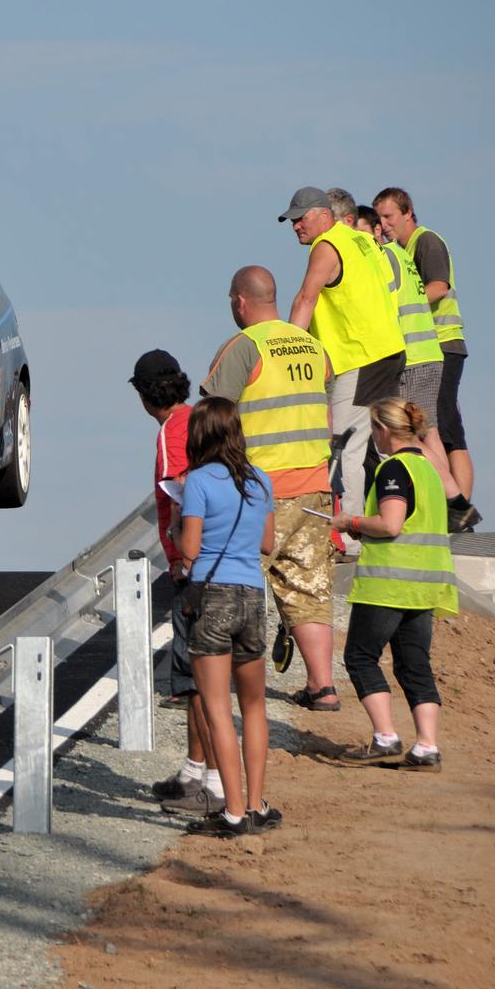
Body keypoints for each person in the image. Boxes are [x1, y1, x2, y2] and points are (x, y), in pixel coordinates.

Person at [201, 266, 338, 711]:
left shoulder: (244, 347)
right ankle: (322, 686)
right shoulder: (315, 348)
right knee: (309, 590)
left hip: (263, 494)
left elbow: (213, 419)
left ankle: (218, 682)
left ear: (240, 301)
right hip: (316, 488)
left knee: (234, 584)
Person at [329, 398, 457, 770]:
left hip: (389, 584)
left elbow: (390, 524)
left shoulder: (394, 469)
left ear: (384, 431)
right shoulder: (429, 470)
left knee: (360, 656)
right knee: (415, 663)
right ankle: (426, 745)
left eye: (373, 430)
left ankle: (385, 736)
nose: (374, 438)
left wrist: (350, 522)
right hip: (423, 586)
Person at [280, 187, 406, 560]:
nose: (296, 226)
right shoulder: (362, 240)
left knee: (344, 448)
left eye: (301, 218)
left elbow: (306, 298)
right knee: (382, 447)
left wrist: (288, 355)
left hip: (359, 356)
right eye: (291, 220)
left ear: (324, 214)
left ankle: (347, 539)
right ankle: (398, 524)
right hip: (386, 351)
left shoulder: (328, 244)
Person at [129, 350, 225, 816]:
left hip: (196, 570)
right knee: (192, 681)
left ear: (146, 396)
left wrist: (180, 559)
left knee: (199, 679)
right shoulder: (200, 419)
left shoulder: (172, 431)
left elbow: (180, 495)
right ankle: (193, 770)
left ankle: (211, 785)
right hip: (224, 564)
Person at [178, 397, 278, 836]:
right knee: (253, 707)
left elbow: (190, 551)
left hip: (213, 598)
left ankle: (233, 813)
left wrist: (173, 530)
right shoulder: (262, 480)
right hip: (252, 596)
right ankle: (256, 806)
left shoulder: (197, 481)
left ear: (200, 435)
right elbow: (268, 543)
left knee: (218, 710)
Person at [374, 187, 478, 513]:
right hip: (432, 346)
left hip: (442, 343)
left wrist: (401, 306)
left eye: (389, 216)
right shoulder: (403, 250)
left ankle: (459, 508)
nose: (384, 224)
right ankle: (455, 506)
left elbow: (439, 285)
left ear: (408, 212)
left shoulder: (426, 241)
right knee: (438, 427)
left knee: (444, 430)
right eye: (379, 218)